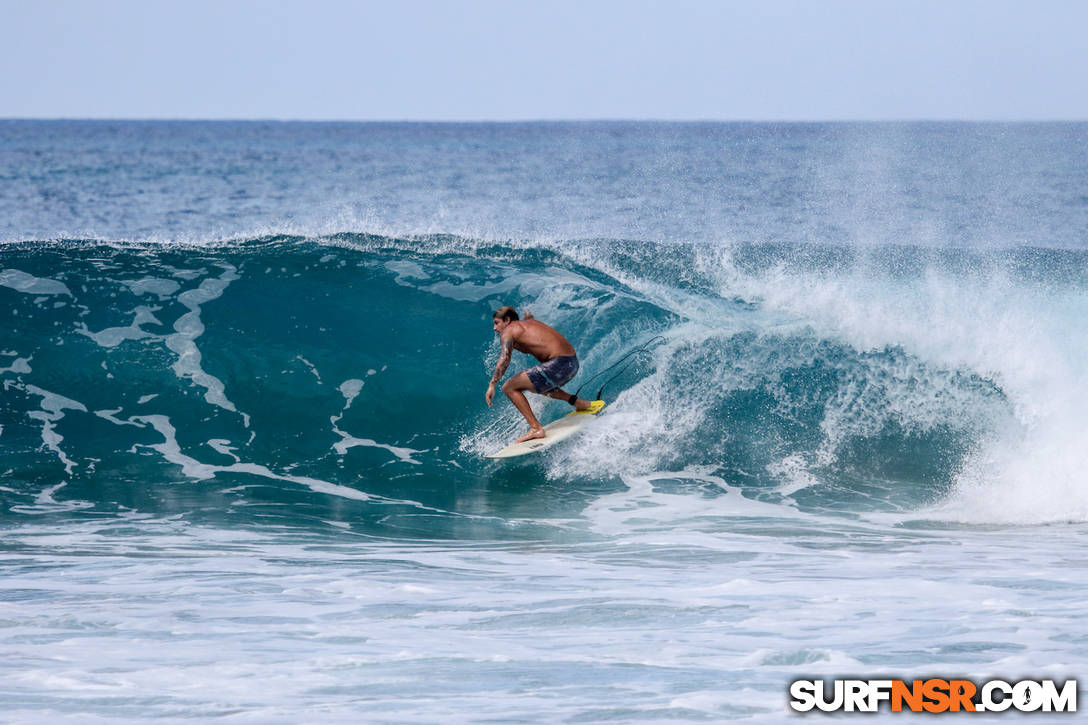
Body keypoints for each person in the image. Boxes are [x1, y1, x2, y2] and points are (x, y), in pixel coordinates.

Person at [485, 306, 592, 442]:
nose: (494, 328)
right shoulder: (529, 324)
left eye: (496, 323)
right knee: (537, 383)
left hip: (559, 365)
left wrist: (492, 384)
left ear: (507, 320)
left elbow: (505, 358)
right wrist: (529, 318)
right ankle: (579, 403)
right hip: (572, 363)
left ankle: (535, 428)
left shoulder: (508, 331)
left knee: (509, 387)